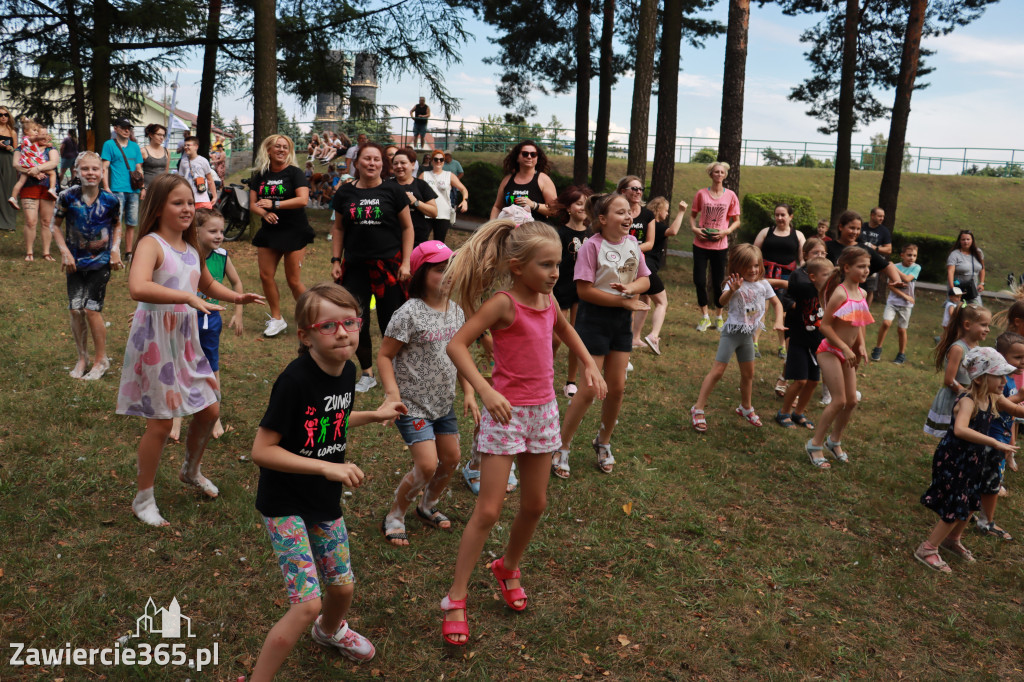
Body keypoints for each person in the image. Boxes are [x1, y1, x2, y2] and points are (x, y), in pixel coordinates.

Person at [439, 219, 605, 645]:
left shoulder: (549, 302)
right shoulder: (502, 303)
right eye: (546, 265)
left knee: (535, 504)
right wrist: (485, 390)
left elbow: (567, 331)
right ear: (516, 266)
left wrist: (587, 363)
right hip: (506, 415)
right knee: (489, 510)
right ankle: (455, 598)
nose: (555, 274)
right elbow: (457, 345)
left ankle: (507, 566)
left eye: (558, 265)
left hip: (544, 414)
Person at [248, 283, 405, 678]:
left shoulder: (347, 370)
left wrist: (372, 414)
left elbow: (325, 421)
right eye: (328, 325)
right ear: (305, 336)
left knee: (342, 588)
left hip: (323, 499)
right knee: (307, 604)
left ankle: (330, 632)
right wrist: (326, 467)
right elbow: (263, 450)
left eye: (350, 322)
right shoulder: (295, 381)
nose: (342, 333)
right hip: (284, 502)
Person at [115, 174, 265, 527]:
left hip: (185, 339)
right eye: (177, 203)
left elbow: (206, 282)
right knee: (161, 424)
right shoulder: (151, 244)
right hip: (155, 340)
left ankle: (190, 470)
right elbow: (138, 287)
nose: (186, 209)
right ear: (159, 207)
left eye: (189, 202)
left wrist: (235, 295)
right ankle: (143, 499)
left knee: (210, 409)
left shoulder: (190, 246)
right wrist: (185, 297)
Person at [377, 241, 476, 546]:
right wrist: (393, 394)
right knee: (427, 464)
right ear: (421, 274)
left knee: (451, 460)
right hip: (412, 405)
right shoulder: (409, 313)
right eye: (438, 269)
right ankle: (395, 515)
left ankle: (427, 506)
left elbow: (461, 357)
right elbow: (384, 355)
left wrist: (469, 393)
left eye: (451, 267)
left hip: (443, 404)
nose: (447, 274)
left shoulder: (457, 312)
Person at [553, 193, 650, 478]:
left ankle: (603, 442)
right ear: (603, 220)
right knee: (589, 389)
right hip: (593, 320)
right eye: (621, 213)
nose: (629, 217)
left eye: (629, 212)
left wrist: (632, 290)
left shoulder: (633, 244)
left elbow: (646, 278)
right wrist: (622, 300)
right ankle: (562, 446)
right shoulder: (591, 247)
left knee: (616, 388)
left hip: (622, 322)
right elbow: (584, 291)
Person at [915, 347, 1019, 573]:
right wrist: (994, 442)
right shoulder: (968, 400)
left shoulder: (992, 396)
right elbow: (961, 429)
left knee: (972, 501)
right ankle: (928, 548)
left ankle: (953, 539)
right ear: (981, 378)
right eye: (998, 375)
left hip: (973, 459)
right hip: (955, 460)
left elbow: (1013, 407)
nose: (1004, 380)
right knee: (956, 504)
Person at [331, 142, 414, 393]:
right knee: (358, 320)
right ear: (357, 163)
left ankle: (397, 370)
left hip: (389, 267)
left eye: (377, 160)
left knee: (391, 321)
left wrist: (407, 262)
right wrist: (336, 260)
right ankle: (367, 373)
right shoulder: (345, 193)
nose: (372, 164)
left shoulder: (393, 191)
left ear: (382, 164)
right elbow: (338, 228)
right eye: (367, 159)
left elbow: (407, 228)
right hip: (354, 267)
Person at [169, 208, 247, 443]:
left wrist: (239, 313)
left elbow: (236, 282)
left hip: (211, 319)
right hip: (184, 317)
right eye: (212, 231)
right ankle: (177, 417)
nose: (219, 235)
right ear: (196, 230)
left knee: (211, 365)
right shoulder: (183, 254)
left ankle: (214, 415)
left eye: (221, 231)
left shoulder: (222, 256)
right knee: (180, 363)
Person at [689, 244, 784, 434]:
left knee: (748, 375)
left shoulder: (763, 284)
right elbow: (721, 302)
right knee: (717, 371)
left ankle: (745, 407)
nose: (753, 270)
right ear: (737, 266)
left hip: (748, 336)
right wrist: (732, 290)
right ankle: (697, 408)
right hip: (731, 333)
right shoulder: (732, 282)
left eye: (756, 265)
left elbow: (777, 303)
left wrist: (779, 320)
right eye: (748, 266)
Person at [49, 151, 123, 380]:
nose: (90, 173)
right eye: (85, 169)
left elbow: (117, 226)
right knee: (75, 309)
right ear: (76, 172)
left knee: (91, 309)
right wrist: (64, 252)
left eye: (95, 169)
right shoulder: (67, 197)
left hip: (100, 262)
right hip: (74, 262)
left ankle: (102, 360)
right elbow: (55, 226)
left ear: (102, 173)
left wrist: (114, 249)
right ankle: (83, 358)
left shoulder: (111, 200)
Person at [804, 247, 874, 467]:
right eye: (861, 266)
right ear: (847, 268)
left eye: (867, 267)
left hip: (849, 353)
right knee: (839, 400)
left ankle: (834, 441)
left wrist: (861, 345)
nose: (866, 271)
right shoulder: (840, 293)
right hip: (830, 351)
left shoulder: (861, 294)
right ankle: (814, 445)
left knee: (852, 401)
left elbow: (858, 322)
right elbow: (825, 327)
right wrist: (844, 347)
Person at [250, 134, 314, 338]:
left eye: (285, 147)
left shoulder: (295, 173)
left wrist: (274, 204)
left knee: (293, 280)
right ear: (268, 150)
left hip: (294, 229)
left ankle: (313, 319)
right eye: (277, 146)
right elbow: (253, 203)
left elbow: (303, 200)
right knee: (265, 275)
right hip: (270, 231)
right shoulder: (260, 174)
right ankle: (277, 319)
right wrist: (264, 213)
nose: (281, 150)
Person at [773, 245, 832, 437]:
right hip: (799, 340)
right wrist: (758, 281)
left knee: (813, 382)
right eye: (825, 275)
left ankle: (798, 413)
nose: (829, 279)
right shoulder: (803, 287)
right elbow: (782, 286)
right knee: (799, 381)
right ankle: (783, 413)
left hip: (817, 343)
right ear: (813, 277)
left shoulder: (831, 294)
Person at [974, 332, 1024, 541]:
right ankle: (986, 522)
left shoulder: (1006, 379)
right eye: (1018, 358)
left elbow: (1009, 413)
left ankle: (972, 513)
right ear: (1001, 357)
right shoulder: (997, 382)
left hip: (1001, 441)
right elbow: (1000, 404)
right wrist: (1020, 398)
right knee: (992, 484)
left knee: (987, 481)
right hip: (991, 442)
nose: (1022, 362)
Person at [552, 184, 592, 402]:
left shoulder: (592, 234)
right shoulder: (560, 234)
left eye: (586, 203)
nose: (582, 207)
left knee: (578, 337)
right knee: (556, 339)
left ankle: (571, 382)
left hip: (583, 290)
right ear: (568, 208)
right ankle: (546, 377)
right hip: (560, 290)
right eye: (578, 203)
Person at [925, 304, 991, 437]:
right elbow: (949, 380)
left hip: (969, 397)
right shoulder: (958, 349)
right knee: (953, 435)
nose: (988, 329)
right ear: (967, 325)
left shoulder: (976, 346)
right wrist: (966, 394)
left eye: (988, 325)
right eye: (983, 325)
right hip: (955, 398)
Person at [690, 162, 741, 332]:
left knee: (720, 282)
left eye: (721, 172)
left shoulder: (731, 195)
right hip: (700, 244)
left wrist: (726, 231)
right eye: (715, 172)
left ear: (725, 175)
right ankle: (705, 317)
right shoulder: (701, 194)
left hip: (720, 246)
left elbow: (737, 221)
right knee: (699, 280)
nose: (719, 174)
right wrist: (695, 229)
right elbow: (692, 216)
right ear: (710, 174)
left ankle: (719, 317)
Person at [633, 197, 686, 355]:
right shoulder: (656, 225)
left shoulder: (644, 225)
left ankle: (634, 338)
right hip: (647, 268)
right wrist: (681, 212)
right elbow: (673, 231)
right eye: (666, 209)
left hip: (638, 266)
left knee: (644, 301)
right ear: (658, 209)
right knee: (662, 302)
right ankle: (654, 336)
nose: (667, 212)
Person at [753, 203, 805, 359]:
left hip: (787, 278)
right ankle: (754, 343)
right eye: (777, 215)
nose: (780, 218)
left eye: (783, 215)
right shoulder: (765, 232)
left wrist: (802, 276)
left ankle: (783, 346)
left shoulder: (798, 235)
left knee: (783, 313)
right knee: (761, 309)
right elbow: (754, 252)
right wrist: (754, 272)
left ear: (791, 216)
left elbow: (803, 259)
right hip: (765, 276)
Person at [616, 176, 655, 349]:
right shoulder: (616, 210)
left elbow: (650, 242)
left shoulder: (647, 214)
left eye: (641, 189)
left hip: (637, 261)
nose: (638, 192)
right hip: (615, 259)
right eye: (634, 189)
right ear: (623, 191)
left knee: (632, 301)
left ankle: (628, 340)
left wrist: (632, 249)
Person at [14, 123, 60, 262]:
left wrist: (37, 168)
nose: (45, 137)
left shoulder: (51, 149)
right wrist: (31, 172)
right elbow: (16, 165)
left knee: (46, 221)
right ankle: (29, 252)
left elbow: (53, 163)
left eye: (47, 134)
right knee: (30, 221)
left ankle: (46, 252)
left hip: (47, 188)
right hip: (29, 186)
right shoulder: (22, 148)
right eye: (42, 134)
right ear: (33, 135)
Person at [871, 243, 920, 364]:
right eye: (909, 255)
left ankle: (901, 354)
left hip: (906, 305)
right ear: (902, 255)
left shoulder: (916, 267)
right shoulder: (895, 266)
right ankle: (878, 348)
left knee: (901, 330)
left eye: (914, 255)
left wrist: (894, 268)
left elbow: (907, 279)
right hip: (893, 301)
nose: (912, 258)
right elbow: (890, 286)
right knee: (886, 323)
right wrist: (905, 296)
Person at [489, 140, 557, 221]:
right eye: (525, 154)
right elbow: (497, 207)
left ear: (537, 158)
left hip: (535, 231)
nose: (529, 157)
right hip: (510, 231)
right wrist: (491, 226)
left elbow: (554, 210)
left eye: (533, 154)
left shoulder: (544, 180)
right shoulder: (507, 180)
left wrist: (533, 205)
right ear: (517, 157)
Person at [385, 148, 437, 245]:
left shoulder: (421, 185)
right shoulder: (386, 185)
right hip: (391, 239)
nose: (399, 166)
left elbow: (434, 212)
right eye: (395, 163)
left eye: (403, 163)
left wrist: (416, 202)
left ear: (413, 165)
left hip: (417, 240)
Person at [420, 148, 468, 243]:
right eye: (436, 159)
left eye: (441, 159)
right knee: (421, 240)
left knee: (439, 242)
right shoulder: (424, 175)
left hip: (443, 214)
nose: (439, 161)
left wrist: (465, 201)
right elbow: (416, 190)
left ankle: (437, 258)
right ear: (431, 161)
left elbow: (463, 189)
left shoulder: (449, 175)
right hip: (426, 213)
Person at [9, 119, 59, 206]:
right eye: (35, 131)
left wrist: (47, 144)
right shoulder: (28, 139)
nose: (36, 133)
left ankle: (13, 197)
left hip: (26, 165)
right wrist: (35, 171)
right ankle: (52, 188)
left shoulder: (29, 142)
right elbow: (35, 139)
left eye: (46, 134)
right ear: (26, 131)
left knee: (20, 182)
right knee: (52, 173)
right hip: (32, 165)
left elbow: (53, 162)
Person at [859, 207, 892, 305]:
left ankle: (866, 311)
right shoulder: (862, 227)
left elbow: (889, 249)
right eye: (879, 216)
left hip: (873, 264)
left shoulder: (884, 231)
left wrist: (875, 248)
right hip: (858, 261)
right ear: (872, 215)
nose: (882, 218)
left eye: (883, 216)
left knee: (870, 289)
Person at [176, 136, 218, 209]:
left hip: (202, 198)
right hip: (188, 199)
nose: (186, 147)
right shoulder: (183, 161)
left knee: (205, 219)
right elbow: (181, 180)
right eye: (185, 145)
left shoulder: (203, 161)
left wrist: (214, 196)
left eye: (188, 145)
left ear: (196, 147)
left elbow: (210, 179)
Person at [947, 229, 984, 306]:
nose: (966, 242)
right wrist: (952, 288)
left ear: (972, 240)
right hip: (959, 289)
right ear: (959, 241)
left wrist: (981, 283)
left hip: (973, 290)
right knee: (958, 312)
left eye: (968, 239)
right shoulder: (954, 254)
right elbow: (950, 271)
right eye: (963, 239)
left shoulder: (978, 252)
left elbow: (982, 268)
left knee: (977, 312)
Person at [140, 124, 169, 205]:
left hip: (163, 189)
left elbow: (166, 171)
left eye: (163, 135)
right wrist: (143, 188)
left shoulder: (166, 151)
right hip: (148, 189)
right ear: (151, 135)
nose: (162, 137)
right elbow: (138, 171)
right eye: (159, 134)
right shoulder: (143, 151)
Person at [0, 105, 18, 231]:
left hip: (8, 161)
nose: (3, 117)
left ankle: (8, 222)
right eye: (0, 115)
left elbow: (16, 150)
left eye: (5, 114)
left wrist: (8, 147)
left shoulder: (12, 132)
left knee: (8, 189)